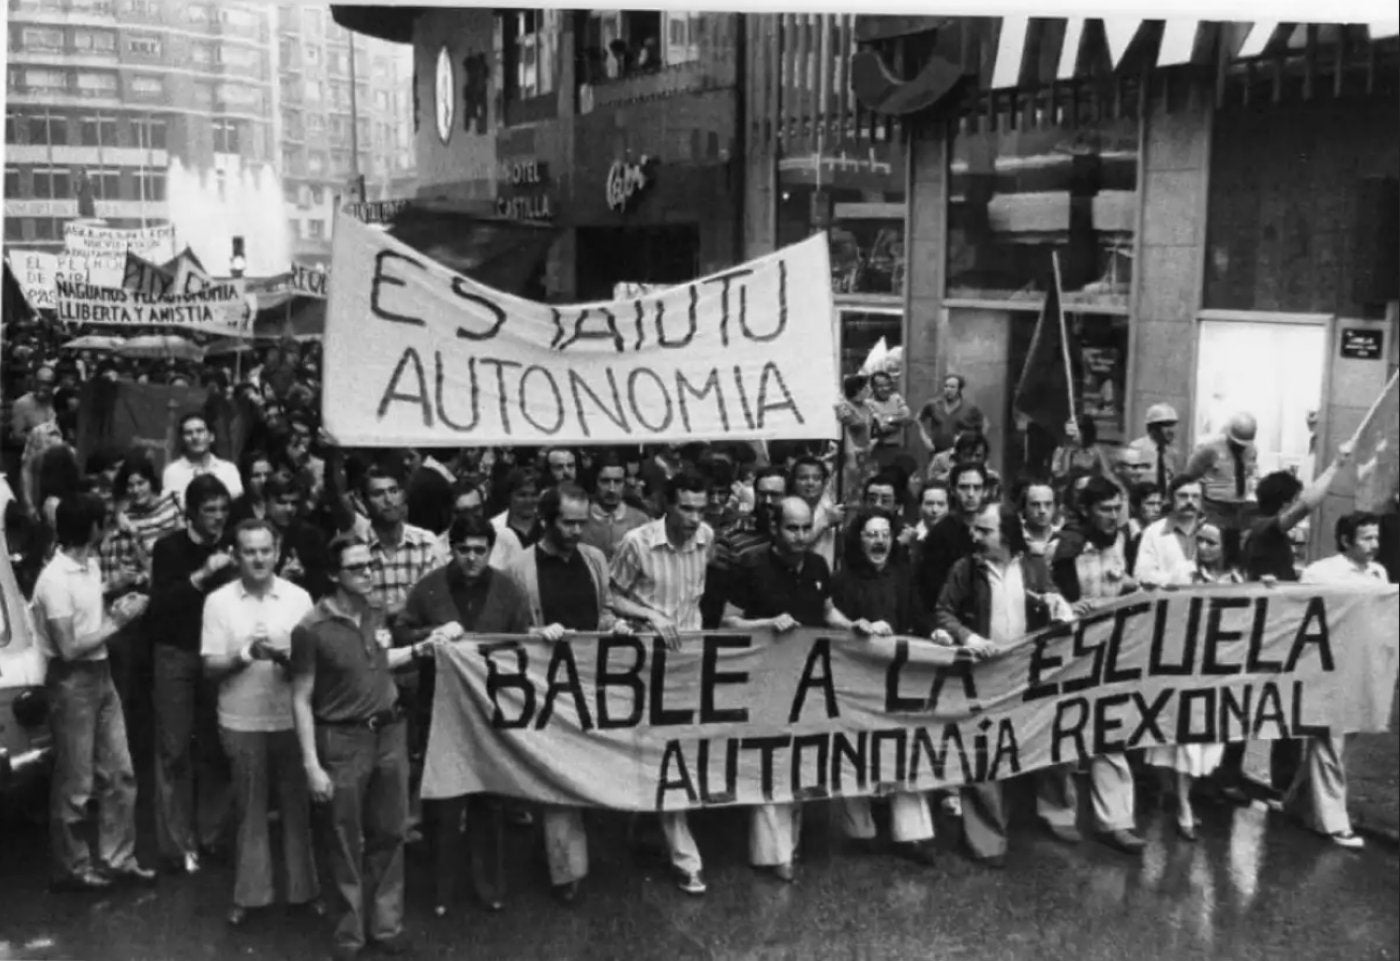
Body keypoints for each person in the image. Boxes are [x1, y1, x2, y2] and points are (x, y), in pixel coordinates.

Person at [291, 535, 433, 961]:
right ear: (334, 575)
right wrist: (312, 765)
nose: (368, 573)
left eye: (369, 565)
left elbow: (375, 661)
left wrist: (421, 649)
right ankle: (349, 936)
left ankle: (386, 927)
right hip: (343, 740)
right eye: (357, 568)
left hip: (389, 732)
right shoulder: (311, 628)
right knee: (344, 837)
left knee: (391, 832)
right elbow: (300, 696)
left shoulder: (376, 613)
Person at [400, 513, 530, 916]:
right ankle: (442, 892)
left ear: (490, 550)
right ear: (450, 549)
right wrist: (429, 635)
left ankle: (489, 886)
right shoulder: (429, 589)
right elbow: (402, 632)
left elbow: (523, 643)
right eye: (463, 550)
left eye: (479, 550)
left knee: (489, 801)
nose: (471, 558)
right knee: (444, 802)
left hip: (490, 711)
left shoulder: (508, 589)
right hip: (440, 709)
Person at [723, 497, 857, 882]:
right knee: (770, 764)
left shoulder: (817, 565)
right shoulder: (750, 566)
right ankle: (772, 853)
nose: (800, 536)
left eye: (804, 528)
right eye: (792, 528)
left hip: (809, 682)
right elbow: (727, 623)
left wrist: (854, 627)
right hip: (763, 682)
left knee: (800, 764)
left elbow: (828, 610)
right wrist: (765, 624)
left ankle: (791, 847)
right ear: (775, 529)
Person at [933, 502, 1073, 866]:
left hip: (1031, 672)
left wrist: (1057, 604)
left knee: (1046, 741)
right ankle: (987, 839)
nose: (974, 536)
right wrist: (968, 637)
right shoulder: (966, 569)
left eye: (984, 530)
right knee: (982, 756)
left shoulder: (1034, 566)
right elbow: (943, 611)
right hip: (984, 676)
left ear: (1006, 535)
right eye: (976, 529)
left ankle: (1057, 814)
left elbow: (1053, 600)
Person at [501, 485, 619, 904]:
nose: (576, 530)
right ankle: (565, 872)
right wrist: (535, 634)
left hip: (592, 683)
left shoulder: (595, 559)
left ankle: (576, 857)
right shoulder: (519, 568)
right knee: (560, 778)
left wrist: (613, 626)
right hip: (546, 687)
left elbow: (602, 611)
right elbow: (510, 630)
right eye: (567, 522)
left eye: (581, 522)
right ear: (547, 521)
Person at [34, 493, 156, 891]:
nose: (108, 528)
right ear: (91, 528)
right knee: (76, 781)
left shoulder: (85, 566)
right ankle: (73, 867)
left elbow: (87, 608)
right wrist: (118, 620)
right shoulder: (54, 579)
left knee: (119, 771)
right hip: (72, 681)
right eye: (103, 522)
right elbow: (68, 646)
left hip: (101, 674)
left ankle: (118, 857)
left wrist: (112, 587)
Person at [201, 519, 319, 926]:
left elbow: (313, 664)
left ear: (278, 551)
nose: (258, 558)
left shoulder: (299, 598)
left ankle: (304, 893)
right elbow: (210, 667)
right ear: (235, 555)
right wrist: (245, 655)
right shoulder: (218, 602)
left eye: (265, 550)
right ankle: (252, 897)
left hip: (290, 718)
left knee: (296, 807)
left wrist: (286, 657)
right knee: (249, 810)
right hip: (240, 719)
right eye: (249, 551)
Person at [608, 470, 714, 894]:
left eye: (700, 509)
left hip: (692, 663)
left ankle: (644, 825)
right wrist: (649, 615)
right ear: (666, 504)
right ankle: (685, 858)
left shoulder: (706, 537)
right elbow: (610, 595)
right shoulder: (636, 543)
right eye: (685, 507)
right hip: (648, 663)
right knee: (669, 755)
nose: (693, 518)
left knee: (676, 750)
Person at [831, 508, 937, 865]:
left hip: (899, 678)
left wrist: (935, 631)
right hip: (858, 679)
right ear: (858, 539)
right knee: (856, 749)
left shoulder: (903, 576)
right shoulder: (842, 579)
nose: (879, 540)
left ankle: (912, 834)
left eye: (884, 534)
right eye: (870, 534)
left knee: (905, 749)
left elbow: (919, 616)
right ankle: (860, 830)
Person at [146, 474, 239, 874]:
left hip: (217, 655)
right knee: (175, 748)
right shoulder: (169, 548)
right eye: (209, 511)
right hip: (176, 653)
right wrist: (203, 574)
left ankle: (212, 835)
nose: (218, 518)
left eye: (223, 509)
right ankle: (177, 844)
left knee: (217, 746)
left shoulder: (233, 544)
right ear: (190, 512)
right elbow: (162, 607)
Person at [1048, 476, 1145, 855]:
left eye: (1116, 508)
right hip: (1069, 655)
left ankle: (1116, 821)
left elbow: (1123, 582)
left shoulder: (1122, 540)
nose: (1112, 516)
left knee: (1111, 734)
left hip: (1112, 653)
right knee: (1063, 738)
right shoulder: (1066, 547)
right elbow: (1048, 592)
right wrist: (1067, 607)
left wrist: (1137, 587)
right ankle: (1058, 812)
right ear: (1086, 510)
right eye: (1104, 509)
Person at [1284, 512, 1389, 850]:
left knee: (1341, 741)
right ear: (1346, 540)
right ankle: (1332, 822)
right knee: (1331, 741)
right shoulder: (1321, 573)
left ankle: (1298, 803)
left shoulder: (1378, 573)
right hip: (1326, 669)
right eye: (1366, 538)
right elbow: (1296, 612)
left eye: (1376, 538)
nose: (1374, 545)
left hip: (1362, 669)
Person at [1142, 521, 1240, 841]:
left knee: (1209, 743)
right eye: (1200, 540)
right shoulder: (1184, 572)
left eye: (1212, 542)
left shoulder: (1238, 580)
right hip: (1185, 668)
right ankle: (1183, 806)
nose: (1204, 547)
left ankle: (1176, 792)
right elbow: (1160, 599)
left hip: (1220, 672)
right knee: (1186, 739)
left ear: (1227, 546)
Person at [915, 463, 986, 621]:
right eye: (964, 487)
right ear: (953, 490)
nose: (970, 494)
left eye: (977, 487)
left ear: (985, 490)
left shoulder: (995, 527)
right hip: (952, 620)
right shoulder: (940, 533)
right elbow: (930, 591)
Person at [1181, 411, 1259, 555]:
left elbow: (1248, 474)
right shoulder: (1209, 449)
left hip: (1238, 510)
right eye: (1236, 443)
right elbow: (1189, 477)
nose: (1240, 447)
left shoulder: (1251, 451)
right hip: (1213, 509)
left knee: (1233, 554)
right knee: (1210, 551)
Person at [161, 412, 244, 509]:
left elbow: (236, 503)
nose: (195, 437)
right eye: (188, 433)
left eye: (200, 431)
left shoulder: (228, 469)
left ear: (211, 437)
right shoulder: (172, 472)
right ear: (182, 440)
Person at [1132, 476, 1204, 586]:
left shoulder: (1211, 531)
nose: (1190, 501)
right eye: (1183, 496)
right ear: (1171, 499)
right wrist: (1177, 578)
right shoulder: (1153, 532)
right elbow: (1142, 576)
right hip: (1167, 600)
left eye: (1195, 496)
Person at [579, 451, 650, 561]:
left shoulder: (640, 521)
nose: (612, 489)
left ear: (625, 483)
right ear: (595, 482)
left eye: (617, 481)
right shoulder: (581, 520)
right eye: (605, 481)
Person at [790, 455, 842, 567]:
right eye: (803, 478)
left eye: (816, 478)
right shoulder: (787, 509)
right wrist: (824, 522)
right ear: (794, 481)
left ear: (824, 482)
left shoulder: (830, 506)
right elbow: (796, 546)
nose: (810, 483)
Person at [918, 373, 985, 458]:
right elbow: (919, 420)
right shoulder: (933, 405)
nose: (948, 390)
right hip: (936, 453)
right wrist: (926, 439)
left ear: (959, 389)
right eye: (946, 386)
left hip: (960, 455)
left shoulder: (970, 409)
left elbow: (981, 429)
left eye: (952, 387)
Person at [489, 467, 543, 571]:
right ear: (510, 496)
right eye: (522, 495)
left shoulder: (547, 526)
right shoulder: (493, 528)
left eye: (534, 495)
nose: (529, 500)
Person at [1128, 403, 1182, 494]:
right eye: (1166, 425)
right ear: (1153, 428)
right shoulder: (1136, 449)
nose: (1171, 430)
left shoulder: (1173, 452)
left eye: (1173, 425)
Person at [835, 374, 874, 496]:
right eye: (866, 388)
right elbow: (853, 423)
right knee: (849, 485)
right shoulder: (843, 406)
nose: (869, 390)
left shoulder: (867, 406)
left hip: (866, 450)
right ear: (857, 390)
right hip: (850, 451)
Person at [866, 371, 912, 468]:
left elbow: (907, 417)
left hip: (896, 448)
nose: (885, 389)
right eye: (880, 386)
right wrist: (899, 423)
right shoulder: (869, 403)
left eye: (887, 385)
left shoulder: (896, 398)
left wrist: (889, 419)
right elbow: (882, 428)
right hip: (877, 449)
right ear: (873, 388)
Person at [433, 481, 489, 559]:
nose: (470, 517)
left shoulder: (502, 540)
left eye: (475, 510)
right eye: (463, 512)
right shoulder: (436, 550)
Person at [1051, 415, 1112, 485]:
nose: (1073, 437)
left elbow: (1107, 471)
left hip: (1091, 484)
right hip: (1073, 484)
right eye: (1071, 434)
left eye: (1076, 434)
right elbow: (1063, 470)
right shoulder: (1067, 449)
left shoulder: (1097, 449)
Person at [9, 363, 57, 452]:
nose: (44, 387)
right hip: (32, 454)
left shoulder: (57, 401)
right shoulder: (22, 404)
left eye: (48, 384)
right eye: (41, 383)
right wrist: (41, 439)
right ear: (34, 383)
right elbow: (17, 436)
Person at [1019, 480, 1059, 558]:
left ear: (1055, 507)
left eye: (1048, 504)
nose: (1042, 511)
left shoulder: (1063, 539)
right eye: (1035, 504)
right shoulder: (1013, 538)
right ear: (1024, 507)